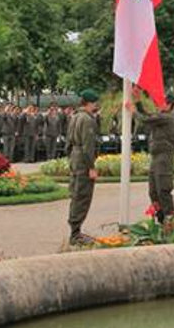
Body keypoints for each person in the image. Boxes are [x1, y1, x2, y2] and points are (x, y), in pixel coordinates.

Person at [126, 89, 174, 223]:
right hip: (156, 157)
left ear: (169, 105)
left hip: (164, 158)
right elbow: (148, 116)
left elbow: (145, 119)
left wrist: (134, 111)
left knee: (163, 189)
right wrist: (138, 102)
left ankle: (170, 220)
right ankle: (160, 219)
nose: (157, 103)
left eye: (161, 102)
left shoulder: (166, 117)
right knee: (153, 191)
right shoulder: (159, 116)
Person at [67, 90, 100, 245]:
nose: (97, 105)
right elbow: (88, 146)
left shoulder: (74, 116)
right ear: (89, 103)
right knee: (82, 196)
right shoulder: (87, 120)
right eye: (95, 102)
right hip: (82, 160)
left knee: (76, 194)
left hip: (75, 157)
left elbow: (68, 142)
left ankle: (75, 230)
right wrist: (91, 167)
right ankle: (75, 233)